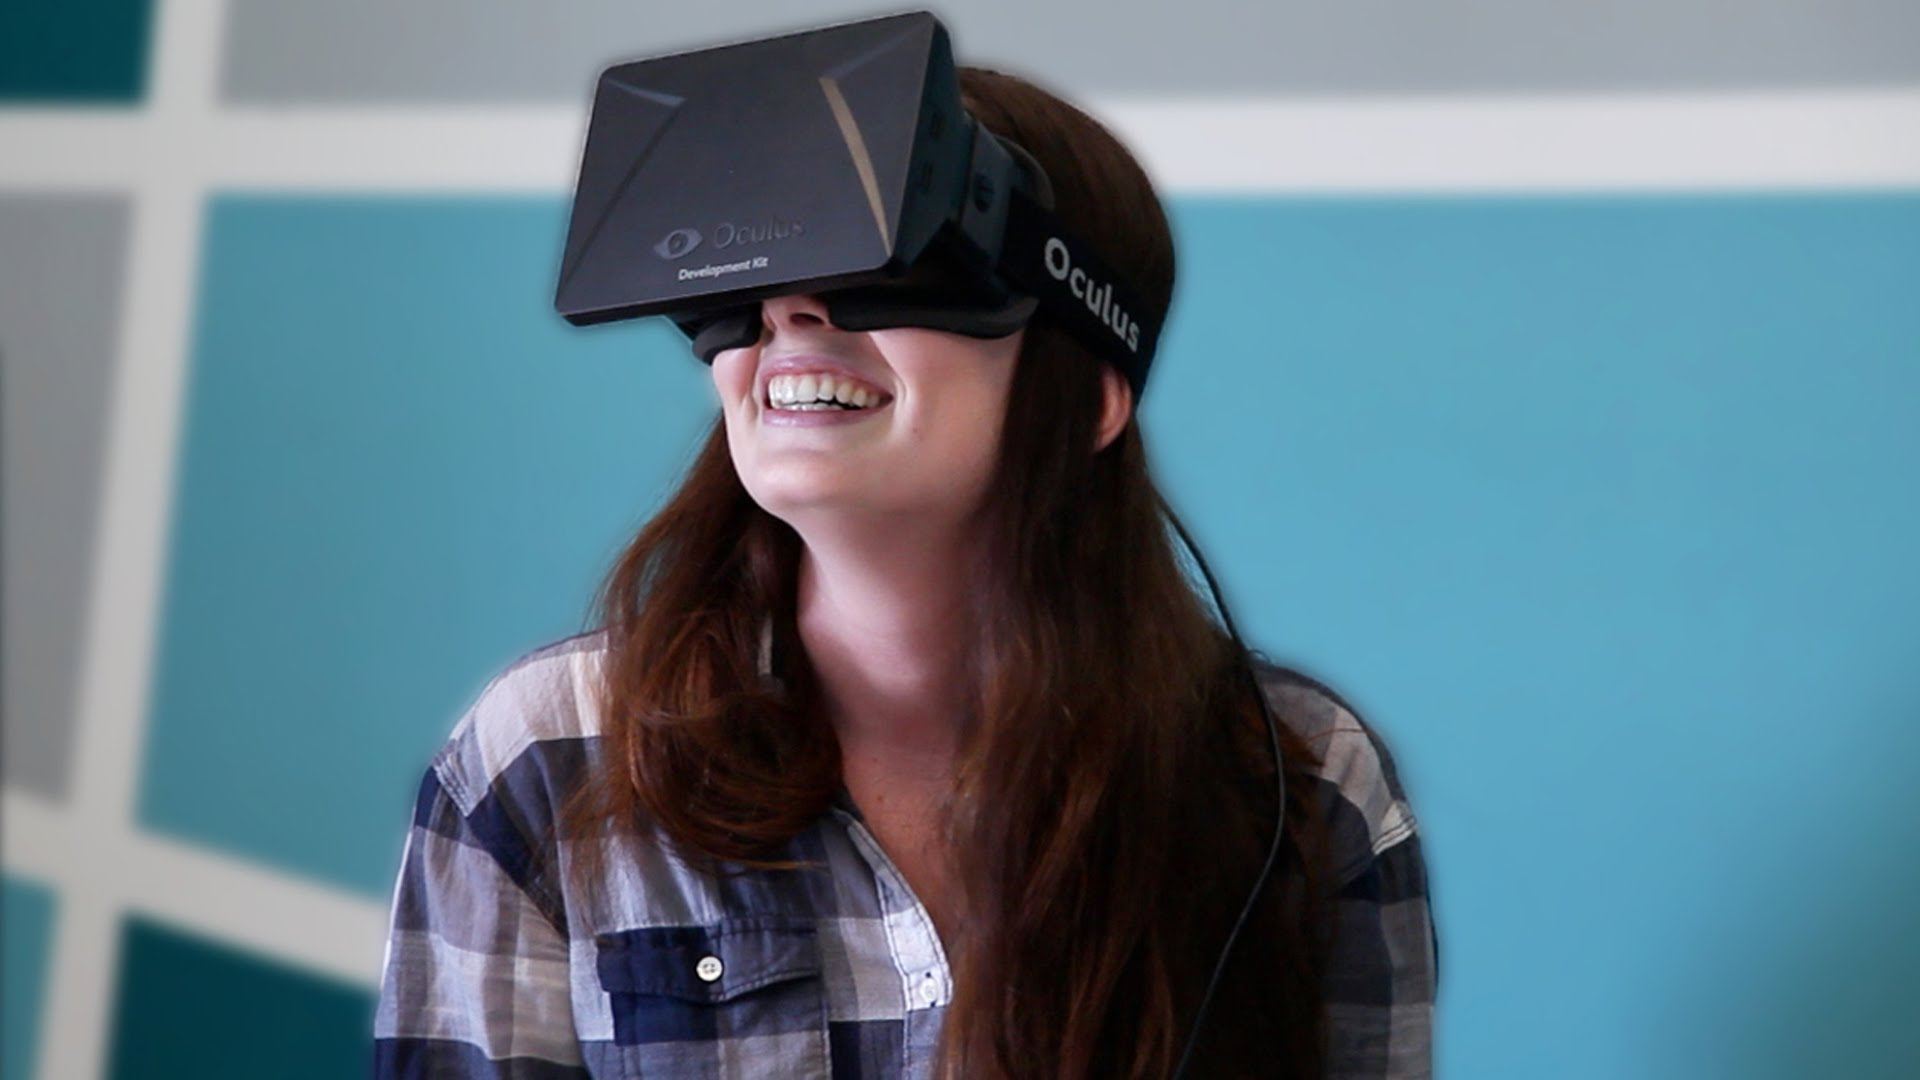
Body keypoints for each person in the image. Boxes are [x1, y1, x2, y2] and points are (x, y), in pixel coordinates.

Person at [373, 64, 1437, 1079]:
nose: (793, 311)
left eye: (892, 265)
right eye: (758, 276)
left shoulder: (1299, 784)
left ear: (1092, 391)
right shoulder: (546, 765)